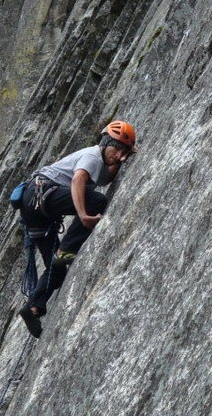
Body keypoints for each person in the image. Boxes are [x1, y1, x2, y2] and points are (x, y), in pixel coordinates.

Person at [19, 120, 137, 337]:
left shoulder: (100, 162)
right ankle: (67, 248)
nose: (119, 156)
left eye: (123, 153)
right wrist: (83, 216)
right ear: (106, 142)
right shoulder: (92, 156)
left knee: (58, 267)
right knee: (97, 201)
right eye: (118, 150)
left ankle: (32, 307)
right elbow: (78, 181)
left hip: (34, 208)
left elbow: (105, 177)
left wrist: (120, 161)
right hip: (43, 194)